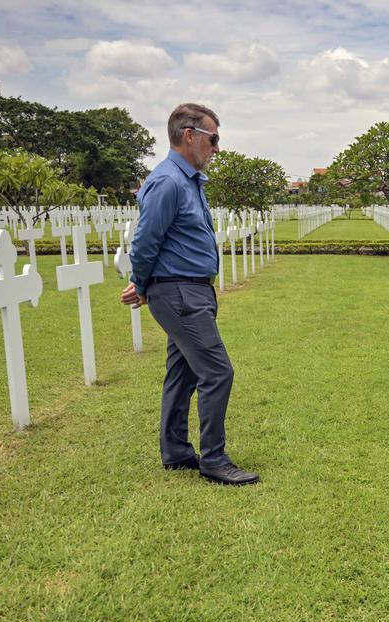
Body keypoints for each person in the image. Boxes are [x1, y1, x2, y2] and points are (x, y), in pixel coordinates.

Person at [120, 103, 258, 485]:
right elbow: (145, 240)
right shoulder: (168, 181)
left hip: (191, 290)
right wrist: (141, 284)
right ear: (189, 135)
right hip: (179, 292)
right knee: (217, 371)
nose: (217, 148)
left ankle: (176, 451)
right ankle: (214, 459)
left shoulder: (188, 181)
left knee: (182, 374)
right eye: (214, 139)